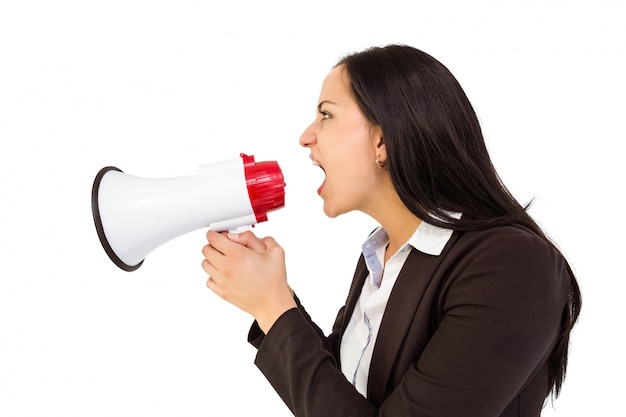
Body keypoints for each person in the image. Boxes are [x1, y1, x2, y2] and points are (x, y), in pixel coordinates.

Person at [200, 44, 581, 417]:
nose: (306, 136)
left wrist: (273, 307)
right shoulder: (380, 258)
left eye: (326, 115)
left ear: (382, 140)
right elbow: (339, 396)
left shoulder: (512, 265)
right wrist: (274, 300)